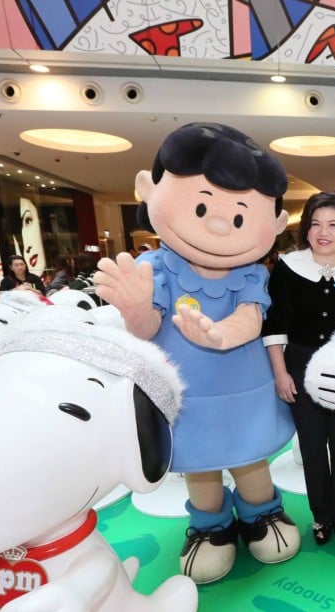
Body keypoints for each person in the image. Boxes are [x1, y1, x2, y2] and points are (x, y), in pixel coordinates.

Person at [94, 122, 298, 585]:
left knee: (250, 460)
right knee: (201, 467)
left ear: (276, 224)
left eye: (242, 216)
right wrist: (134, 309)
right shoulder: (156, 267)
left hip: (243, 390)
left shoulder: (250, 274)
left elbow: (252, 317)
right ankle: (210, 528)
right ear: (148, 192)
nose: (221, 224)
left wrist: (220, 335)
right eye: (203, 207)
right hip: (185, 391)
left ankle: (262, 514)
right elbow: (147, 328)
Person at [263, 192, 335, 545]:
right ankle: (321, 516)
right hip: (298, 365)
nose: (323, 232)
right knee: (312, 446)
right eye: (315, 223)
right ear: (305, 228)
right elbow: (274, 323)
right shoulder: (287, 266)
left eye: (333, 224)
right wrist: (280, 373)